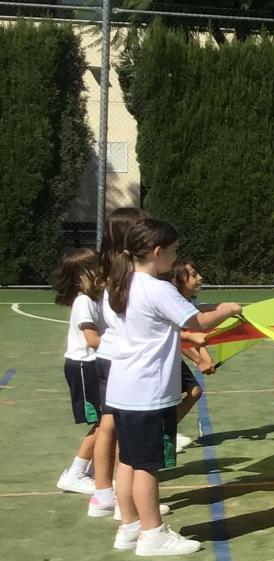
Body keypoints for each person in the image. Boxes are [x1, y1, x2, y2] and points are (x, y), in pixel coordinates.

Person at [105, 218, 242, 556]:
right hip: (147, 391)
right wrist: (228, 309)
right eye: (174, 251)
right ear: (157, 251)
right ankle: (153, 533)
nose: (176, 257)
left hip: (123, 389)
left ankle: (130, 526)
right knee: (146, 466)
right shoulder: (157, 288)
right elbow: (197, 321)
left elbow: (180, 315)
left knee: (129, 461)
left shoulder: (122, 283)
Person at [88, 205, 144, 519]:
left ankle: (103, 494)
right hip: (120, 356)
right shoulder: (128, 271)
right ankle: (124, 502)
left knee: (108, 424)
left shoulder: (109, 267)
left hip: (109, 355)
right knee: (122, 428)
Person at [52, 248, 104, 497]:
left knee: (108, 421)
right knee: (103, 423)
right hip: (84, 366)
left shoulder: (96, 298)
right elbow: (92, 340)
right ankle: (75, 474)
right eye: (96, 266)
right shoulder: (84, 302)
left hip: (94, 365)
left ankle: (95, 468)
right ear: (83, 274)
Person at [170, 259, 218, 453]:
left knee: (194, 391)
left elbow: (196, 333)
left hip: (174, 357)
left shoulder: (189, 301)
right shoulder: (174, 303)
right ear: (179, 280)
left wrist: (206, 357)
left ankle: (168, 431)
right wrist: (199, 360)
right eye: (193, 275)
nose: (200, 278)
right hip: (167, 357)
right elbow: (179, 337)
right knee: (174, 399)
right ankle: (164, 435)